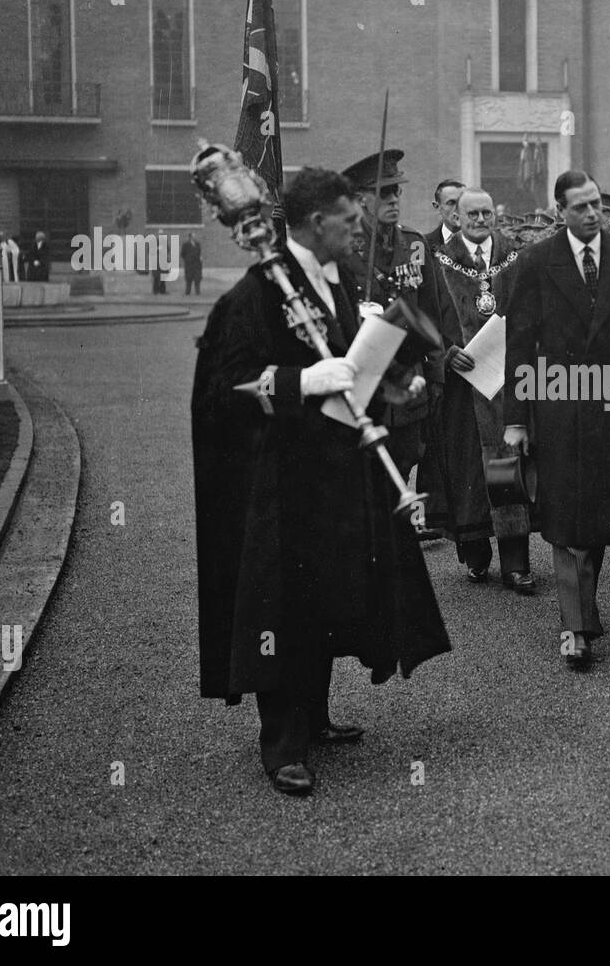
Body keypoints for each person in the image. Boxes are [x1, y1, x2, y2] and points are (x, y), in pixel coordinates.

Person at [191, 167, 450, 796]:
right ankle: (281, 743)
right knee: (282, 602)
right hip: (281, 483)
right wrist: (300, 381)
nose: (362, 225)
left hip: (335, 474)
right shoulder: (255, 296)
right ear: (314, 224)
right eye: (349, 217)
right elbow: (225, 390)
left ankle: (316, 714)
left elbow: (345, 372)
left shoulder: (332, 286)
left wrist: (391, 383)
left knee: (329, 592)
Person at [503, 171, 610, 668]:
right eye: (580, 207)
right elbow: (519, 344)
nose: (592, 214)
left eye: (596, 204)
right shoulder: (535, 261)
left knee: (598, 516)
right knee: (565, 514)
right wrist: (517, 419)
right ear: (560, 212)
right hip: (557, 405)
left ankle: (583, 612)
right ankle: (575, 626)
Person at [427, 187, 535, 593]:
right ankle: (476, 556)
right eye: (471, 213)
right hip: (461, 388)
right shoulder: (438, 261)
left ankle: (516, 564)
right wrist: (444, 353)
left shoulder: (515, 256)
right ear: (456, 215)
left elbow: (531, 311)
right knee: (469, 471)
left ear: (495, 215)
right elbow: (422, 321)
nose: (479, 220)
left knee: (509, 466)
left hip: (506, 384)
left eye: (486, 213)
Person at [340, 149, 445, 479]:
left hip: (408, 388)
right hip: (361, 384)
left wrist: (437, 377)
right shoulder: (342, 249)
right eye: (384, 192)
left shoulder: (414, 244)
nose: (393, 199)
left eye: (397, 190)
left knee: (403, 467)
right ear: (361, 200)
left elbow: (434, 313)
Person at [424, 178, 464, 255]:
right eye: (451, 203)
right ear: (437, 207)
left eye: (463, 201)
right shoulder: (423, 245)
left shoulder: (487, 242)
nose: (459, 207)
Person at [181, 231, 203, 296]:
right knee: (189, 279)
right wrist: (187, 259)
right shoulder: (185, 244)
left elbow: (199, 253)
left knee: (197, 279)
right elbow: (182, 254)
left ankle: (197, 292)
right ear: (190, 237)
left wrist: (200, 258)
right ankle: (188, 292)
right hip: (189, 265)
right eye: (193, 236)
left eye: (194, 236)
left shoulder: (197, 244)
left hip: (197, 264)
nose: (194, 237)